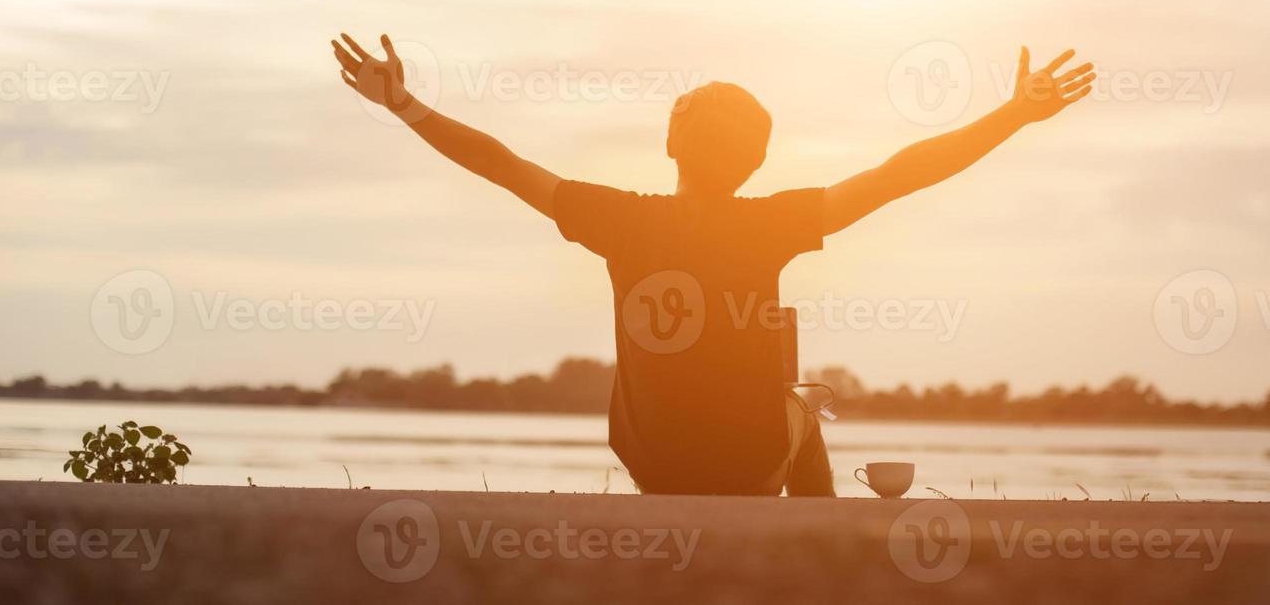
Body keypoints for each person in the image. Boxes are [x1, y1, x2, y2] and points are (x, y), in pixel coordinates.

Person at [331, 33, 1093, 496]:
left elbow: (499, 163)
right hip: (749, 468)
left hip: (652, 467)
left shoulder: (616, 217)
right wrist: (1013, 113)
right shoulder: (776, 221)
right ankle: (815, 545)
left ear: (671, 143)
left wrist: (406, 105)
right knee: (803, 403)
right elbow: (904, 172)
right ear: (756, 162)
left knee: (776, 400)